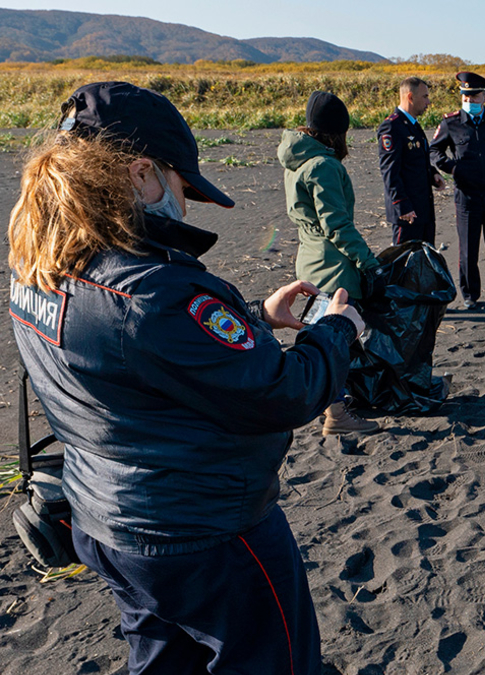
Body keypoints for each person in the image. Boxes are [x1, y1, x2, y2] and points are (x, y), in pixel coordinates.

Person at [8, 81, 364, 674]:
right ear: (143, 175)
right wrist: (334, 329)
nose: (181, 198)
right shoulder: (152, 293)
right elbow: (284, 392)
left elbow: (129, 357)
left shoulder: (38, 267)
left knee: (161, 661)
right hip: (202, 532)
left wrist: (252, 318)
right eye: (180, 184)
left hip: (106, 520)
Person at [278, 90, 381, 434]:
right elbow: (336, 224)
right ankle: (337, 414)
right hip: (333, 264)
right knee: (336, 337)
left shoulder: (296, 162)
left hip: (308, 258)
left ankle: (337, 405)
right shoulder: (324, 165)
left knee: (323, 335)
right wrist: (368, 262)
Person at [430, 71, 485, 309]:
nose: (470, 101)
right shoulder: (451, 123)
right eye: (466, 97)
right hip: (466, 197)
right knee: (468, 249)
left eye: (474, 96)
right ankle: (470, 295)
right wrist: (452, 168)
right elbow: (434, 150)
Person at [377, 76, 445, 244]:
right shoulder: (392, 126)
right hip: (407, 214)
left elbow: (416, 161)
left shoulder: (413, 124)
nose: (428, 102)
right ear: (410, 97)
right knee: (404, 265)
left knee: (423, 263)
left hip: (422, 210)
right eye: (425, 96)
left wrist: (433, 175)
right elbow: (390, 172)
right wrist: (402, 205)